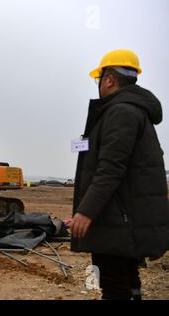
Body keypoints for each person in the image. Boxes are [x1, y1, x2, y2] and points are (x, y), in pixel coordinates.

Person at [69, 49, 168, 300]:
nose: (98, 85)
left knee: (113, 285)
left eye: (99, 79)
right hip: (123, 216)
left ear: (110, 79)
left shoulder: (120, 112)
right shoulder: (131, 111)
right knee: (126, 277)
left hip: (117, 218)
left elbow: (111, 168)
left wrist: (85, 211)